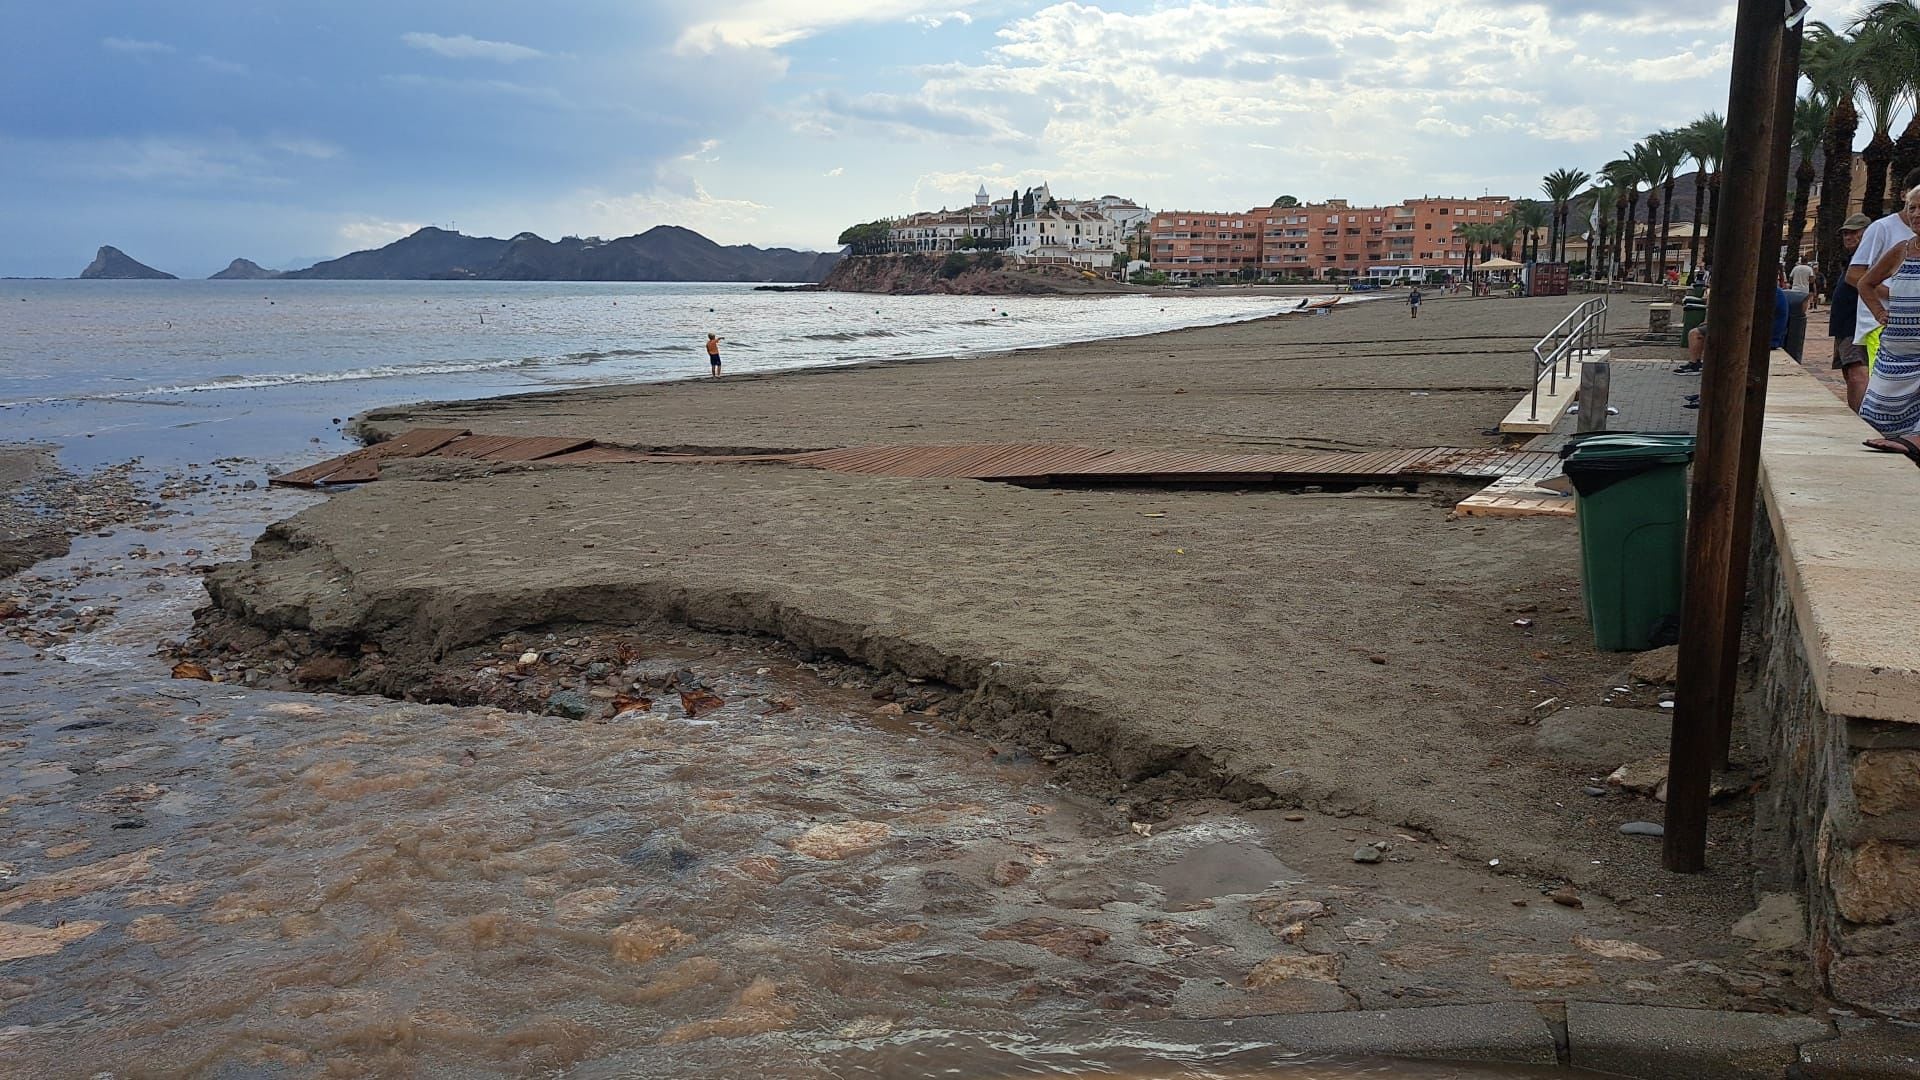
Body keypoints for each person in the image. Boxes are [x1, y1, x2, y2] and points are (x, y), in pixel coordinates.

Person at [1857, 186, 1920, 458]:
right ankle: (1903, 441)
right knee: (1878, 411)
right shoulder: (1902, 250)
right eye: (1912, 207)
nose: (1916, 213)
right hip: (1896, 350)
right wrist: (1879, 313)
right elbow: (1865, 282)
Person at [1848, 168, 1920, 368]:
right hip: (1882, 327)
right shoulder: (1883, 229)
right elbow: (1856, 275)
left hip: (1914, 330)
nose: (1916, 213)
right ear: (1905, 196)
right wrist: (1892, 297)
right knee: (1884, 383)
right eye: (1913, 206)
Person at [1830, 213, 1873, 411]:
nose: (1848, 237)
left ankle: (1862, 420)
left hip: (1855, 325)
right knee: (1850, 371)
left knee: (1857, 372)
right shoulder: (1852, 259)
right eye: (1845, 233)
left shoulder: (1870, 258)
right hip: (1844, 326)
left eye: (1853, 232)